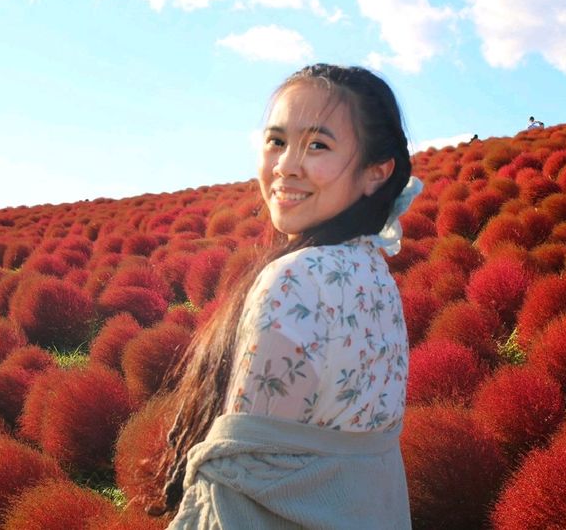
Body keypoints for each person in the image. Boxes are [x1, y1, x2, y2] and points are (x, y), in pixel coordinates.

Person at [148, 64, 419, 528]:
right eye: (276, 141)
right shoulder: (375, 270)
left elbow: (236, 488)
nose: (286, 165)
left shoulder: (296, 279)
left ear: (377, 172)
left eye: (318, 145)